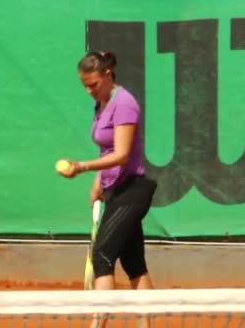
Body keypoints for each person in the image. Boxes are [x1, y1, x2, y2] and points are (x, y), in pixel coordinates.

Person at [57, 51, 157, 328]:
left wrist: (83, 167)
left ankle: (97, 325)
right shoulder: (101, 103)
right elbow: (107, 147)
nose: (89, 91)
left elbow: (123, 154)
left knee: (102, 255)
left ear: (107, 75)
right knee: (135, 263)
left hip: (133, 191)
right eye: (85, 86)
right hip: (114, 189)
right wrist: (98, 182)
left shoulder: (124, 103)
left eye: (93, 84)